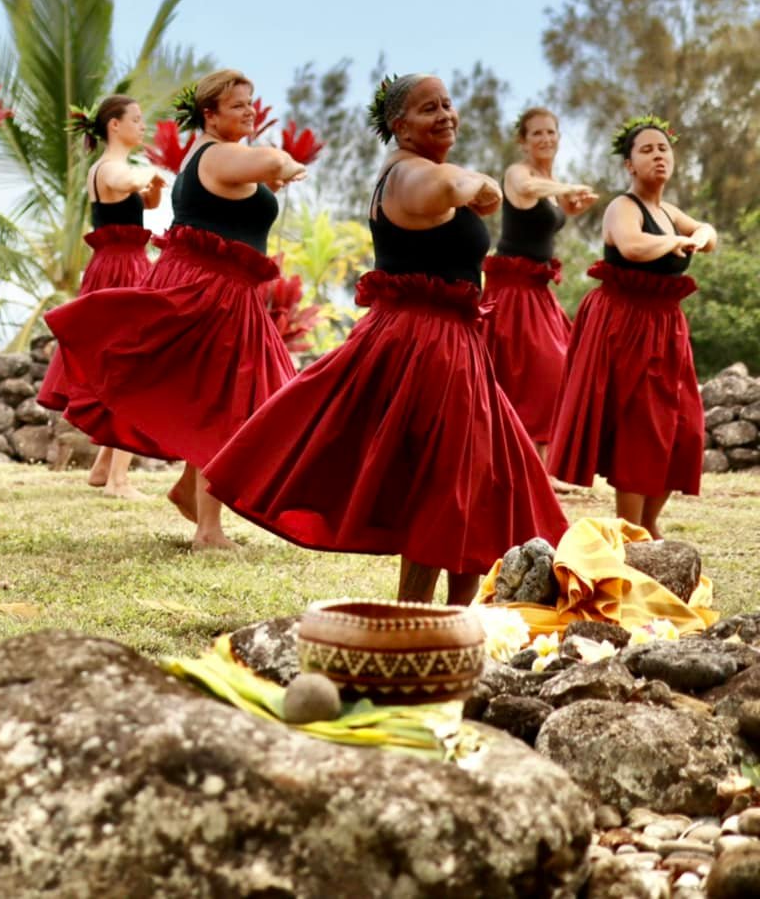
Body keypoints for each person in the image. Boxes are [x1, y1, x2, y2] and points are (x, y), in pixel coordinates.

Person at [203, 74, 567, 603]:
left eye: (447, 104)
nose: (444, 114)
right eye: (427, 109)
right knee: (445, 482)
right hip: (429, 344)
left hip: (443, 340)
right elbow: (444, 189)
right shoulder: (409, 175)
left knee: (470, 479)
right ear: (400, 125)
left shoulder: (414, 168)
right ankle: (419, 615)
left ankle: (454, 616)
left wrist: (471, 183)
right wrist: (472, 185)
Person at [49, 70, 306, 549]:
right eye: (237, 105)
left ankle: (192, 490)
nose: (250, 112)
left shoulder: (215, 156)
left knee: (221, 399)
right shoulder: (218, 154)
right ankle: (208, 530)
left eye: (251, 103)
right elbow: (271, 159)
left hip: (223, 288)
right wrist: (283, 164)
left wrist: (274, 173)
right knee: (227, 402)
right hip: (213, 290)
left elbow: (248, 186)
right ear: (209, 114)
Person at [549, 117, 715, 537]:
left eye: (663, 148)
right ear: (629, 165)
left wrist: (700, 233)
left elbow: (706, 234)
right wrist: (675, 242)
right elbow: (632, 246)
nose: (658, 155)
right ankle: (631, 533)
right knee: (640, 430)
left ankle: (648, 523)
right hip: (626, 323)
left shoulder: (668, 211)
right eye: (647, 150)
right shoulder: (623, 207)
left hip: (665, 324)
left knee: (686, 429)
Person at [38, 95, 164, 500]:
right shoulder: (110, 168)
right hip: (122, 268)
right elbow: (125, 182)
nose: (143, 126)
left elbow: (145, 199)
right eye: (137, 119)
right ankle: (118, 481)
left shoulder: (113, 168)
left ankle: (102, 468)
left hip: (117, 265)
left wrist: (154, 186)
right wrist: (148, 173)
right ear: (114, 125)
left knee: (121, 366)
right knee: (133, 370)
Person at [481, 108, 597, 452]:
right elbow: (526, 188)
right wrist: (568, 188)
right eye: (537, 133)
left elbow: (548, 212)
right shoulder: (518, 173)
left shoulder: (552, 183)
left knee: (562, 368)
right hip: (512, 288)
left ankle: (542, 466)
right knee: (537, 370)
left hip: (537, 287)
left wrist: (570, 208)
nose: (546, 138)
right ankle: (519, 461)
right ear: (523, 141)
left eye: (551, 132)